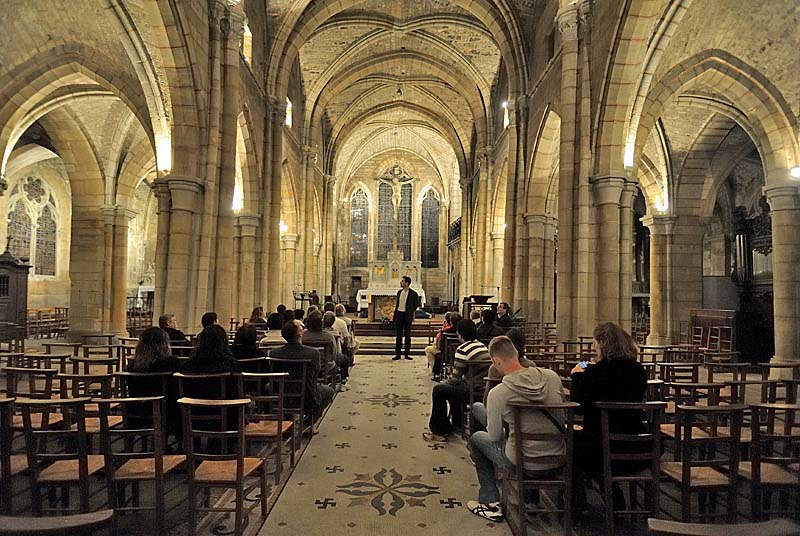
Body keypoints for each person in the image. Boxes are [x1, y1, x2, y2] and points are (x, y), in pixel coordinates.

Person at [466, 336, 565, 521]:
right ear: (517, 354)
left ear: (496, 361)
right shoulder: (552, 377)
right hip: (559, 456)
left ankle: (490, 502)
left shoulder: (499, 393)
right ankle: (530, 499)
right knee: (528, 436)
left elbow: (494, 436)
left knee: (478, 438)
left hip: (523, 460)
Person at [569, 322, 648, 509]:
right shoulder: (638, 370)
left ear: (602, 342)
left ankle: (577, 504)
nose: (594, 347)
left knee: (571, 444)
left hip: (601, 450)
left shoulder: (594, 373)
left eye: (595, 342)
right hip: (638, 448)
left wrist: (577, 373)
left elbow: (578, 407)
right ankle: (612, 491)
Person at [423, 319, 490, 441]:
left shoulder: (463, 349)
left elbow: (454, 378)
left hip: (472, 389)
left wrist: (444, 382)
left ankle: (439, 430)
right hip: (485, 388)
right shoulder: (482, 345)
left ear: (459, 333)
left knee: (439, 390)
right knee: (452, 389)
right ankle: (457, 423)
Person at [270, 320, 334, 419]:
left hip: (281, 394)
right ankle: (310, 420)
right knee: (329, 391)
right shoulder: (313, 353)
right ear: (300, 334)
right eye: (302, 328)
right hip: (306, 396)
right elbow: (316, 372)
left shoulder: (274, 353)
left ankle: (288, 418)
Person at [126, 326, 182, 439]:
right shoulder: (171, 363)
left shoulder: (132, 365)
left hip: (137, 409)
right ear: (164, 344)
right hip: (166, 411)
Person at [181, 324, 242, 398]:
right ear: (224, 341)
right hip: (224, 407)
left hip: (193, 407)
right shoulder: (231, 365)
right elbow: (236, 393)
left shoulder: (188, 365)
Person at [483, 327, 535, 403]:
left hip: (500, 406)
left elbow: (486, 399)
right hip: (527, 409)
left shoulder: (496, 368)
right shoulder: (531, 366)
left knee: (477, 406)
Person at [427, 312, 462, 382]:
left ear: (451, 322)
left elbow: (440, 347)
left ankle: (437, 374)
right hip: (460, 353)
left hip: (447, 356)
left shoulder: (445, 332)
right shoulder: (462, 331)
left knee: (438, 354)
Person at [302, 310, 337, 377]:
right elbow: (334, 354)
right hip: (324, 367)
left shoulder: (302, 335)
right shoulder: (329, 336)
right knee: (335, 365)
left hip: (306, 367)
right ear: (322, 323)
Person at [393, 276, 420, 361]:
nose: (401, 282)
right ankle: (397, 354)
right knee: (398, 335)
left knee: (407, 335)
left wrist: (410, 311)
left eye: (402, 281)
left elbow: (416, 304)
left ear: (407, 283)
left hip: (407, 315)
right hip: (399, 315)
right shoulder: (399, 292)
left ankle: (407, 354)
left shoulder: (413, 293)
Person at [323, 311, 351, 390]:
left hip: (316, 360)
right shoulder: (333, 335)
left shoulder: (305, 334)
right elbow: (337, 351)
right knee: (345, 358)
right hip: (330, 361)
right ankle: (343, 381)